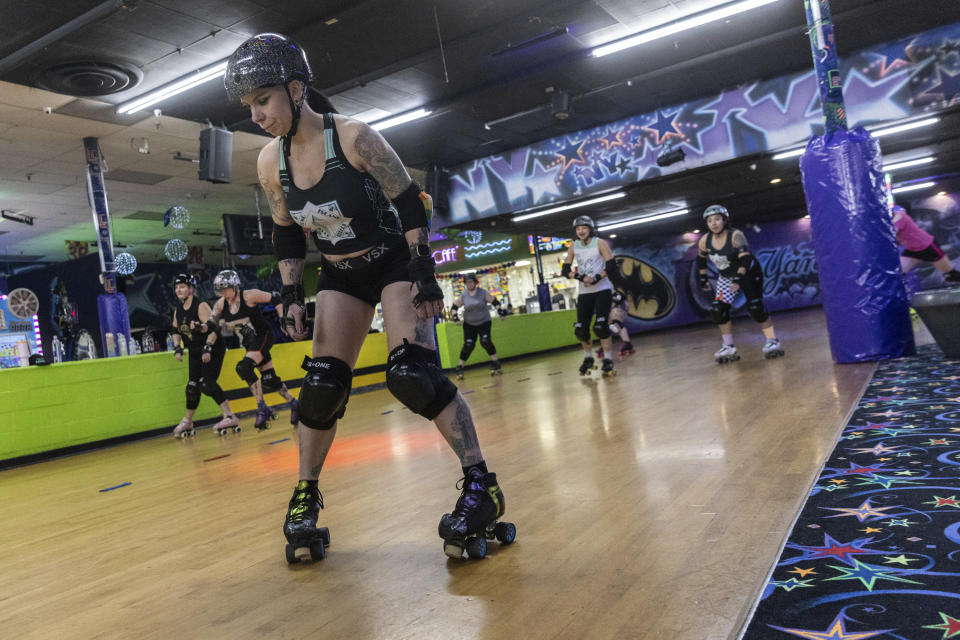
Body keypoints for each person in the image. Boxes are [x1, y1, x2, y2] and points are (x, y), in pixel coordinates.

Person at [224, 33, 513, 561]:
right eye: (249, 106)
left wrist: (424, 271)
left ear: (294, 89)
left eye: (262, 101)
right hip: (340, 276)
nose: (257, 115)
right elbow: (287, 231)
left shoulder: (355, 138)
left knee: (411, 373)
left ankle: (481, 486)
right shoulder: (270, 163)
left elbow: (408, 201)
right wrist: (290, 290)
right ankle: (304, 496)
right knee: (322, 384)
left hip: (395, 263)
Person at [209, 269, 299, 430]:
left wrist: (283, 319)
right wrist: (200, 331)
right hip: (250, 345)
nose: (223, 292)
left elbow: (276, 297)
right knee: (269, 379)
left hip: (263, 336)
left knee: (244, 367)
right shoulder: (221, 304)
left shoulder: (248, 295)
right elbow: (211, 323)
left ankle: (262, 407)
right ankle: (294, 404)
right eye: (220, 290)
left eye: (225, 288)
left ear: (235, 286)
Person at [695, 204, 783, 363]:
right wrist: (703, 278)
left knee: (755, 307)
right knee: (718, 309)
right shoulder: (704, 241)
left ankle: (772, 340)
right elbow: (700, 260)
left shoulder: (736, 235)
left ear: (725, 220)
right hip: (726, 276)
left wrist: (738, 278)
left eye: (717, 219)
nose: (714, 223)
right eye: (709, 221)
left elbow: (745, 258)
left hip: (748, 272)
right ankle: (728, 345)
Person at [170, 273, 239, 437]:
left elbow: (214, 327)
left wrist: (207, 348)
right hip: (194, 349)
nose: (179, 290)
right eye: (177, 287)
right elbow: (175, 329)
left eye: (182, 287)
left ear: (191, 289)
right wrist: (177, 348)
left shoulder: (200, 305)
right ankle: (188, 421)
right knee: (192, 387)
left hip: (212, 346)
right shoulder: (178, 309)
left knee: (206, 383)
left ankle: (230, 416)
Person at [561, 215, 622, 376]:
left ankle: (608, 359)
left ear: (590, 230)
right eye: (578, 229)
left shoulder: (599, 243)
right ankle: (588, 358)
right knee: (581, 329)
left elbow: (611, 265)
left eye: (584, 228)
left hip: (602, 289)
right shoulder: (574, 246)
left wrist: (596, 278)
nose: (581, 231)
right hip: (584, 292)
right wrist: (581, 277)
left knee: (601, 326)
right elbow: (565, 270)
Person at [449, 273, 506, 379]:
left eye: (471, 282)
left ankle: (495, 362)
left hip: (484, 322)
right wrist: (455, 317)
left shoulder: (482, 293)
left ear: (475, 282)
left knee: (485, 341)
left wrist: (501, 311)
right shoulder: (464, 295)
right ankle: (460, 367)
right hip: (469, 324)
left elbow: (494, 301)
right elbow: (454, 306)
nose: (469, 284)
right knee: (468, 345)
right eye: (467, 282)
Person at [892, 204, 960, 285]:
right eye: (915, 219)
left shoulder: (900, 216)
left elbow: (892, 231)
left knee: (950, 273)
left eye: (924, 218)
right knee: (898, 273)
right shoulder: (896, 219)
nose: (919, 223)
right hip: (913, 249)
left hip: (926, 246)